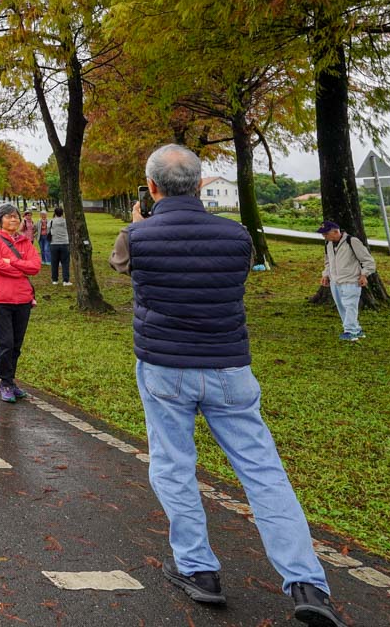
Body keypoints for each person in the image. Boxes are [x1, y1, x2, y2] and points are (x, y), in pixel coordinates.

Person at [109, 144, 344, 626]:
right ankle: (307, 584)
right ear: (199, 185)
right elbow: (230, 275)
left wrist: (142, 220)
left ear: (152, 187)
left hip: (165, 369)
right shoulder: (237, 237)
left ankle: (199, 569)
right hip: (229, 369)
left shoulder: (135, 235)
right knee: (264, 472)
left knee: (174, 465)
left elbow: (123, 266)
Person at [0, 202, 41, 403]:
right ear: (0, 220)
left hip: (23, 300)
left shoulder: (25, 242)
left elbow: (35, 267)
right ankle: (5, 382)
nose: (13, 219)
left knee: (16, 344)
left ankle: (11, 380)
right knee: (4, 343)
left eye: (15, 216)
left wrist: (13, 262)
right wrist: (21, 269)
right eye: (8, 216)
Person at [317, 220, 376, 342]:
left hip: (351, 280)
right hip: (335, 281)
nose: (324, 236)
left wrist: (364, 275)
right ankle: (356, 330)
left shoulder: (352, 241)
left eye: (326, 233)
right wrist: (325, 275)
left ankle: (350, 331)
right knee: (342, 306)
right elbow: (328, 262)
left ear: (335, 231)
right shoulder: (328, 244)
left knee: (350, 306)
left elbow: (368, 261)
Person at [48, 207, 70, 285]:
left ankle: (55, 280)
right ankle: (66, 280)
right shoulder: (66, 221)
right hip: (65, 243)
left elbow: (48, 230)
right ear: (62, 213)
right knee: (65, 262)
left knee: (54, 262)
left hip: (54, 244)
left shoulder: (51, 221)